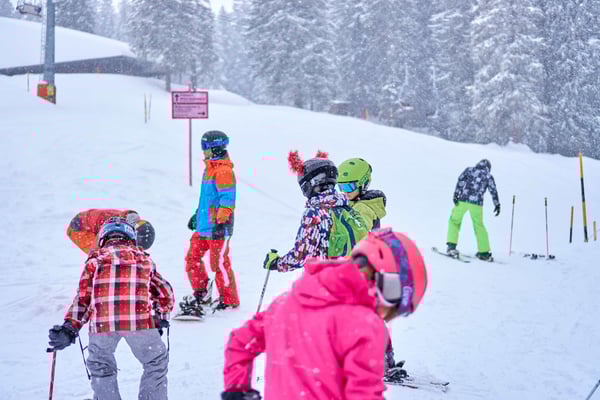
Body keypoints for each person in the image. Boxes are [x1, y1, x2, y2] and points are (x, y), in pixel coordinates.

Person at [222, 228, 428, 400]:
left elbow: (240, 342)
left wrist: (237, 391)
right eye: (392, 304)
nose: (384, 315)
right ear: (383, 281)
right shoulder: (364, 324)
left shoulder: (284, 303)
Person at [48, 216, 175, 400]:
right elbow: (165, 292)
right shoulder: (144, 260)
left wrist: (69, 327)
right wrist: (159, 316)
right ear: (131, 238)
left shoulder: (94, 261)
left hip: (103, 325)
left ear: (103, 238)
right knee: (155, 362)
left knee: (101, 366)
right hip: (139, 323)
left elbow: (83, 299)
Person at [262, 151, 368, 273]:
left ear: (308, 185)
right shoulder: (348, 208)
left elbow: (301, 256)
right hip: (351, 276)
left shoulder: (315, 213)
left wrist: (277, 263)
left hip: (326, 278)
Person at [179, 130, 240, 318]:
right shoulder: (210, 169)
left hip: (217, 228)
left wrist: (221, 223)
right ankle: (202, 291)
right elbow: (208, 199)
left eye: (205, 147)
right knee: (192, 259)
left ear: (216, 148)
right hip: (203, 226)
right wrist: (197, 215)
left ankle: (229, 299)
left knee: (219, 264)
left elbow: (227, 200)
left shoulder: (223, 171)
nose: (203, 150)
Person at [446, 159, 500, 260]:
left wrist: (456, 194)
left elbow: (460, 180)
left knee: (454, 221)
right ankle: (484, 252)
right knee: (479, 226)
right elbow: (493, 190)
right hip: (477, 203)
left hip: (463, 200)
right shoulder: (488, 176)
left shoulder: (469, 170)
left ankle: (451, 247)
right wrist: (497, 204)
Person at [67, 208, 155, 254]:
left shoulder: (127, 223)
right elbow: (95, 251)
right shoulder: (112, 224)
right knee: (101, 254)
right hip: (79, 229)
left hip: (90, 223)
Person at [337, 158, 386, 231]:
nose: (345, 191)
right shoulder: (351, 203)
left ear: (362, 184)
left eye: (349, 187)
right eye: (341, 187)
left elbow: (360, 232)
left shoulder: (363, 208)